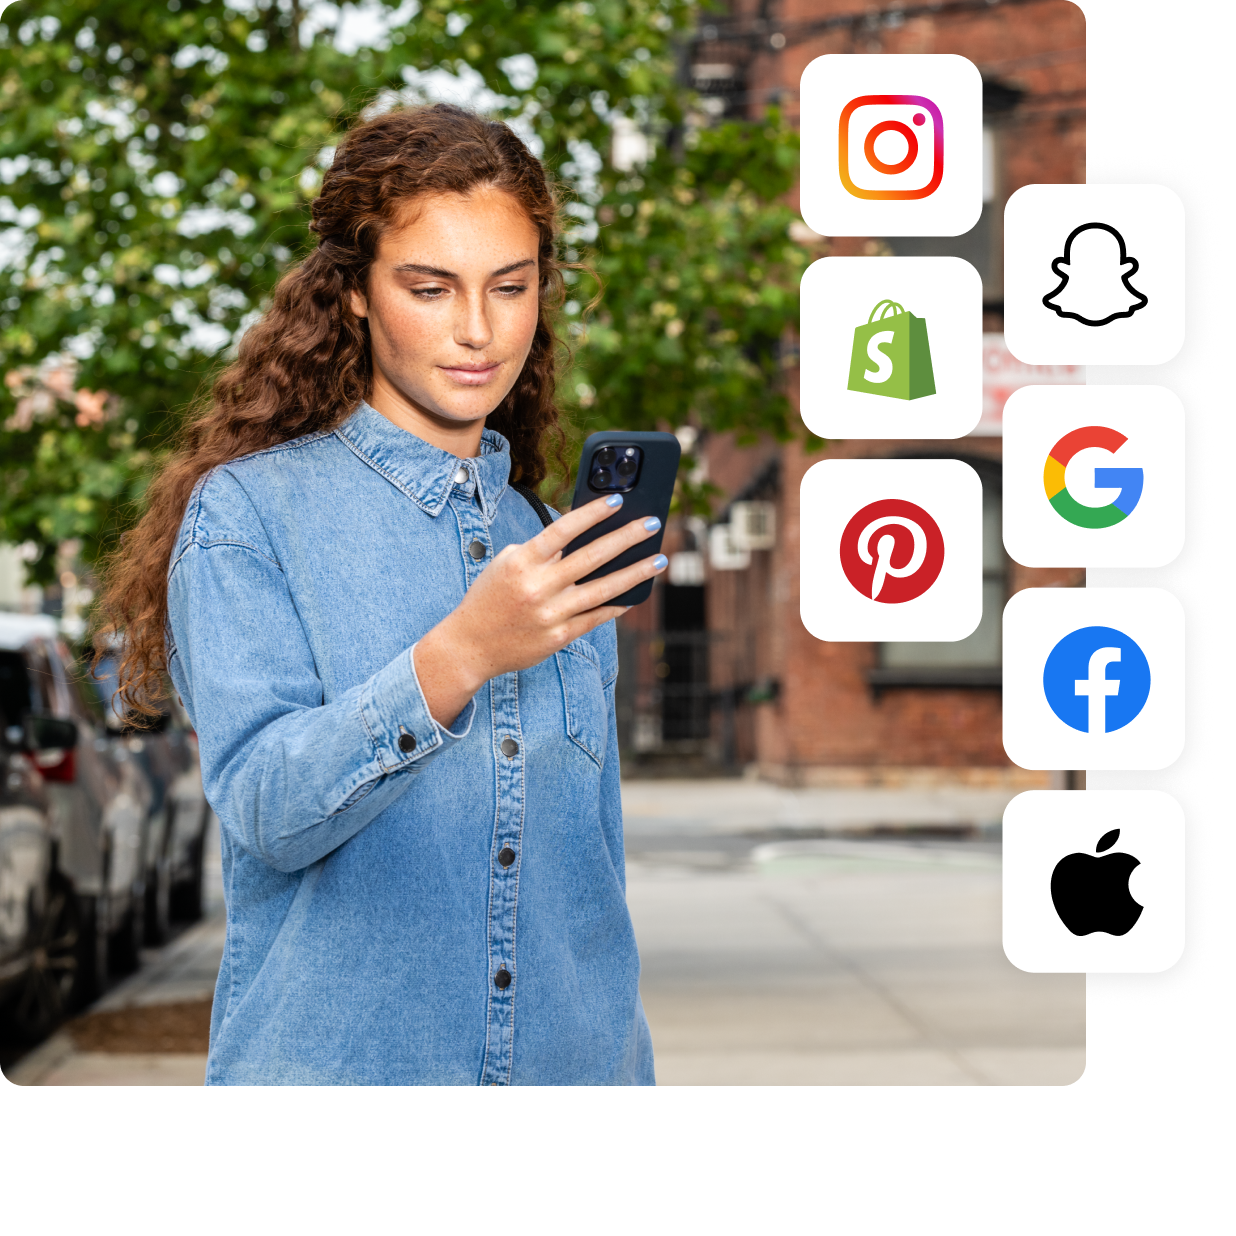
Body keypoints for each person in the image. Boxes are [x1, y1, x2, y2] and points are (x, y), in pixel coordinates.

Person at [95, 103, 666, 1085]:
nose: (478, 330)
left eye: (511, 286)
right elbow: (267, 808)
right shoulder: (248, 515)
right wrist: (462, 654)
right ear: (356, 291)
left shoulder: (550, 541)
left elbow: (591, 875)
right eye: (430, 287)